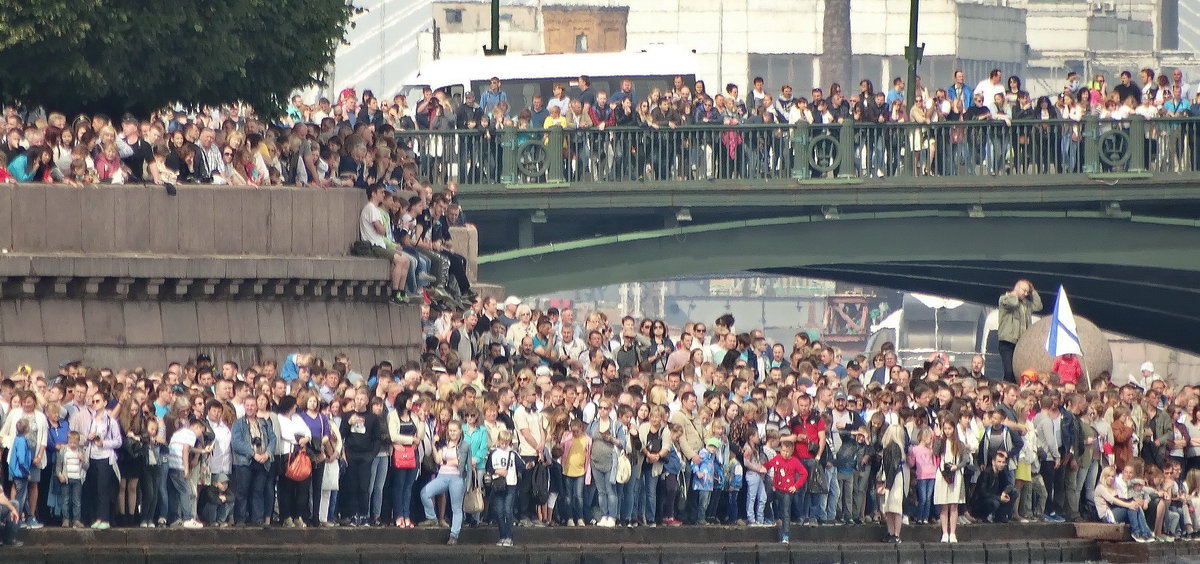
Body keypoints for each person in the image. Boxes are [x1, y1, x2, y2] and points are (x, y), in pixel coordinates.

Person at [418, 420, 472, 545]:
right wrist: (433, 444)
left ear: (460, 431)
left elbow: (461, 462)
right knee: (425, 493)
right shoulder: (444, 444)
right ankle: (432, 517)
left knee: (456, 507)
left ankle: (454, 534)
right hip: (442, 475)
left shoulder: (465, 445)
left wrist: (447, 461)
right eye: (450, 430)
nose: (452, 433)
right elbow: (438, 459)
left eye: (455, 430)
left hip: (456, 477)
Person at [998, 279, 1041, 383]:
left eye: (1027, 292)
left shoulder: (1026, 304)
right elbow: (1013, 303)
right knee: (1009, 371)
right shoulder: (1004, 299)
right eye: (1024, 290)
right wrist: (1014, 294)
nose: (1026, 294)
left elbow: (1038, 306)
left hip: (1021, 343)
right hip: (1007, 342)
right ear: (1017, 288)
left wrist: (1033, 291)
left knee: (1020, 372)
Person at [765, 436, 807, 544]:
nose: (785, 454)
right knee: (766, 499)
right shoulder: (777, 458)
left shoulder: (795, 461)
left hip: (788, 491)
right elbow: (768, 465)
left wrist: (796, 486)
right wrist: (761, 468)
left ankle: (786, 535)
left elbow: (804, 473)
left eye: (788, 452)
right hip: (776, 488)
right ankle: (769, 518)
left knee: (786, 512)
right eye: (783, 451)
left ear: (792, 452)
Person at [490, 429, 519, 547]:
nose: (504, 444)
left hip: (511, 484)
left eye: (507, 442)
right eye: (502, 442)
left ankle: (509, 537)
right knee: (500, 511)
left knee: (508, 510)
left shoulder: (513, 453)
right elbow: (488, 468)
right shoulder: (493, 453)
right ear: (498, 440)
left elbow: (521, 466)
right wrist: (498, 471)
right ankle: (502, 536)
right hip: (498, 483)